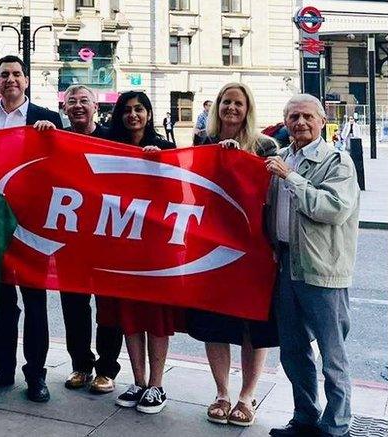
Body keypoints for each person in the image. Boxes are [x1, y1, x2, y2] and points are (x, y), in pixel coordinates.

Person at [0, 55, 62, 403]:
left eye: (16, 74)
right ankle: (1, 369)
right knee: (3, 302)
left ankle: (36, 374)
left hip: (33, 223)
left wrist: (53, 140)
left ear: (26, 80)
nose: (10, 79)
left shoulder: (47, 119)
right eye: (4, 75)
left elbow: (65, 166)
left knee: (35, 302)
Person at [265, 94, 359, 437]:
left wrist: (291, 177)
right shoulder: (282, 157)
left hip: (323, 267)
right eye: (293, 117)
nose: (300, 123)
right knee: (293, 349)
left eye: (307, 116)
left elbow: (333, 208)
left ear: (322, 121)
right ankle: (304, 417)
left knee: (332, 355)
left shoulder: (337, 161)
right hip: (286, 264)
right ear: (285, 122)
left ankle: (336, 426)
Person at [186, 83, 279, 427]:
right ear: (217, 107)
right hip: (211, 246)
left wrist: (240, 156)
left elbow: (271, 190)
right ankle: (222, 393)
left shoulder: (266, 146)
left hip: (254, 248)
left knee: (252, 324)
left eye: (238, 103)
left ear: (247, 108)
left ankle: (246, 396)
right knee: (216, 323)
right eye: (226, 102)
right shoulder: (202, 143)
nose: (231, 108)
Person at [100, 90, 181, 415]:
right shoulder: (109, 148)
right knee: (129, 316)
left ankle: (156, 385)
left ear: (149, 113)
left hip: (154, 249)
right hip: (120, 247)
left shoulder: (166, 149)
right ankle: (138, 380)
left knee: (155, 317)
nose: (133, 115)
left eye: (139, 109)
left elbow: (180, 193)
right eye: (127, 110)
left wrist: (159, 165)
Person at [59, 85, 122, 395]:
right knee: (74, 306)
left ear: (96, 106)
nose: (79, 106)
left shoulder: (114, 139)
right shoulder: (57, 138)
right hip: (70, 239)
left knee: (108, 306)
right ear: (65, 108)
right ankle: (81, 365)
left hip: (108, 238)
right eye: (72, 101)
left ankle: (107, 369)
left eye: (84, 101)